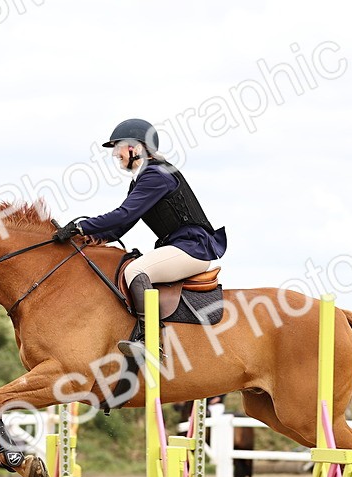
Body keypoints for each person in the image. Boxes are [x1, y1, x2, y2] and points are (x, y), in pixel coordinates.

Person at [52, 118, 227, 359]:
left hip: (193, 248)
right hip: (182, 246)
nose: (115, 154)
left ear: (135, 147)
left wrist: (82, 225)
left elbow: (124, 213)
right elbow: (123, 224)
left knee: (135, 271)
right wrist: (90, 236)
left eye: (118, 147)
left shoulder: (157, 175)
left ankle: (149, 341)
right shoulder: (145, 177)